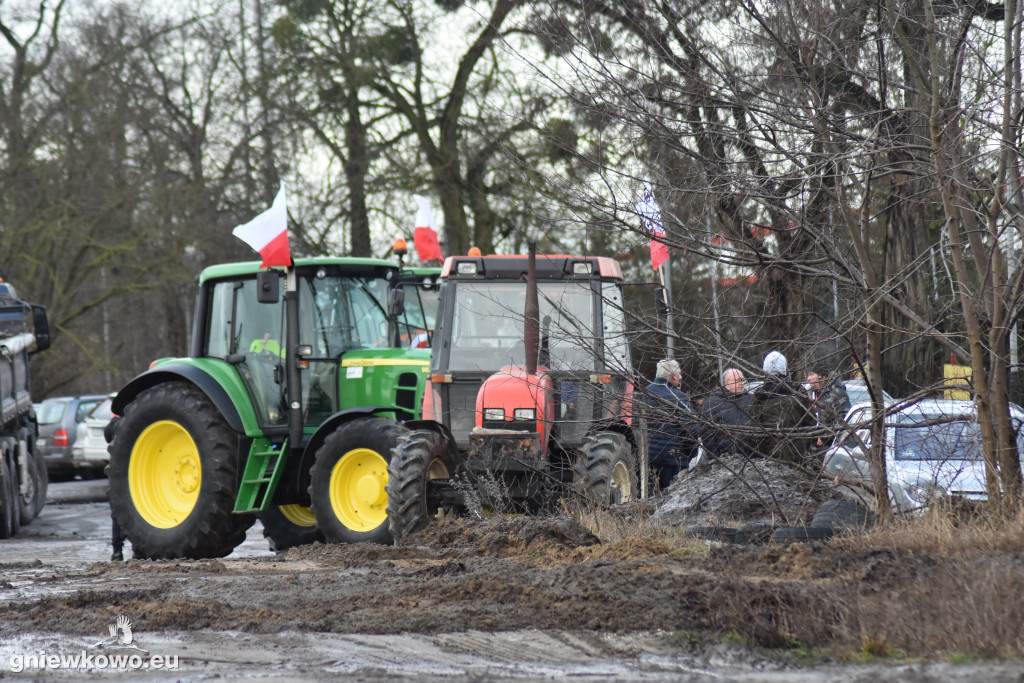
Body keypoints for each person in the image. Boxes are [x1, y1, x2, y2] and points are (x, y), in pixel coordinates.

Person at [748, 351, 815, 463]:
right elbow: (811, 422)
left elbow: (754, 429)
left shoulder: (760, 395)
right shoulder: (797, 391)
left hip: (769, 456)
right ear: (784, 368)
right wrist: (803, 447)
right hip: (796, 455)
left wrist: (761, 451)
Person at [645, 359, 698, 490]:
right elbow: (691, 429)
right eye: (679, 374)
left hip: (647, 459)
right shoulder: (678, 397)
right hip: (674, 460)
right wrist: (692, 453)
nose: (681, 377)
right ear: (673, 376)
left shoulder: (643, 394)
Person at [701, 367, 752, 458]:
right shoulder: (713, 403)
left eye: (743, 380)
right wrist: (716, 458)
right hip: (726, 459)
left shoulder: (750, 400)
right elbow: (706, 433)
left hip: (751, 457)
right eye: (737, 380)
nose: (741, 383)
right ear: (726, 383)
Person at [806, 369, 851, 451]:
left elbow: (844, 418)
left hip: (829, 448)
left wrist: (825, 437)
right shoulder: (810, 394)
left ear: (822, 377)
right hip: (811, 447)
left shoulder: (836, 393)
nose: (808, 378)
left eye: (811, 375)